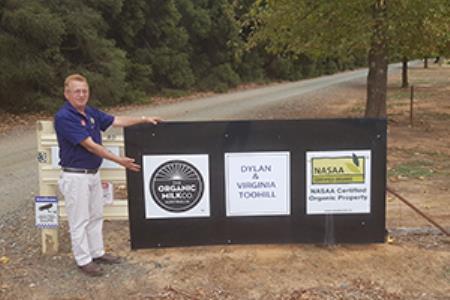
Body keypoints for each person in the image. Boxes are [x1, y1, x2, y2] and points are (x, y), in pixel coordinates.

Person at [55, 74, 161, 277]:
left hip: (93, 174)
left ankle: (97, 252)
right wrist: (119, 160)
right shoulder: (64, 117)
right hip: (76, 176)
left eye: (84, 90)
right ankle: (83, 259)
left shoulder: (90, 112)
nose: (81, 94)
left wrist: (143, 119)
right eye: (76, 91)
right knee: (80, 220)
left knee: (96, 216)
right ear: (67, 94)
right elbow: (91, 146)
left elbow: (116, 120)